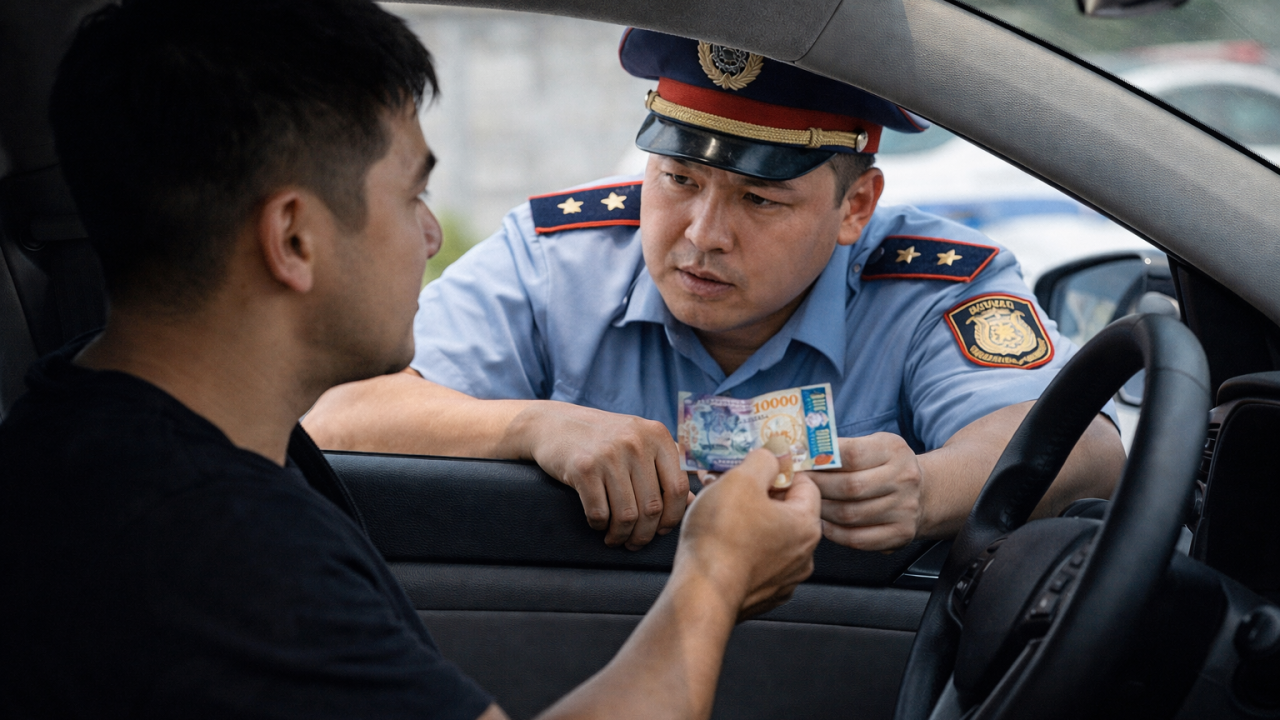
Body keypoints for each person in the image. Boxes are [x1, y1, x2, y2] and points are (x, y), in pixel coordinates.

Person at [0, 2, 823, 719]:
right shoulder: (209, 551)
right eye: (411, 197)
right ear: (294, 238)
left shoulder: (112, 429)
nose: (431, 237)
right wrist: (712, 576)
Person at [304, 29, 1127, 553]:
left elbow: (1086, 449)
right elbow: (336, 416)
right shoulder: (560, 256)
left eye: (759, 199)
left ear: (855, 207)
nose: (702, 233)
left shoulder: (933, 281)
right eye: (678, 178)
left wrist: (926, 489)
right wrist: (532, 426)